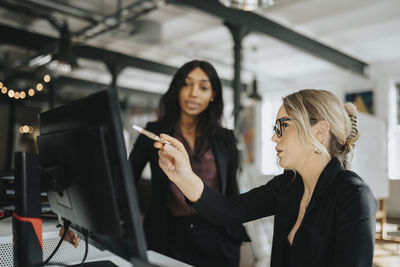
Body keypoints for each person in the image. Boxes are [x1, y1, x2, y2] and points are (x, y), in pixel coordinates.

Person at [155, 89, 377, 267]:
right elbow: (228, 210)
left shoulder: (353, 195)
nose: (273, 137)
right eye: (275, 128)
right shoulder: (289, 185)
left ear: (319, 131)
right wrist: (183, 176)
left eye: (283, 126)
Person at [129, 60, 250, 266]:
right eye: (187, 84)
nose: (194, 93)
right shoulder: (154, 132)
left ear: (213, 95)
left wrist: (235, 233)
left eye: (203, 87)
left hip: (218, 235)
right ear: (177, 89)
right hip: (167, 235)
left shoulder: (225, 138)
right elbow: (125, 179)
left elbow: (232, 190)